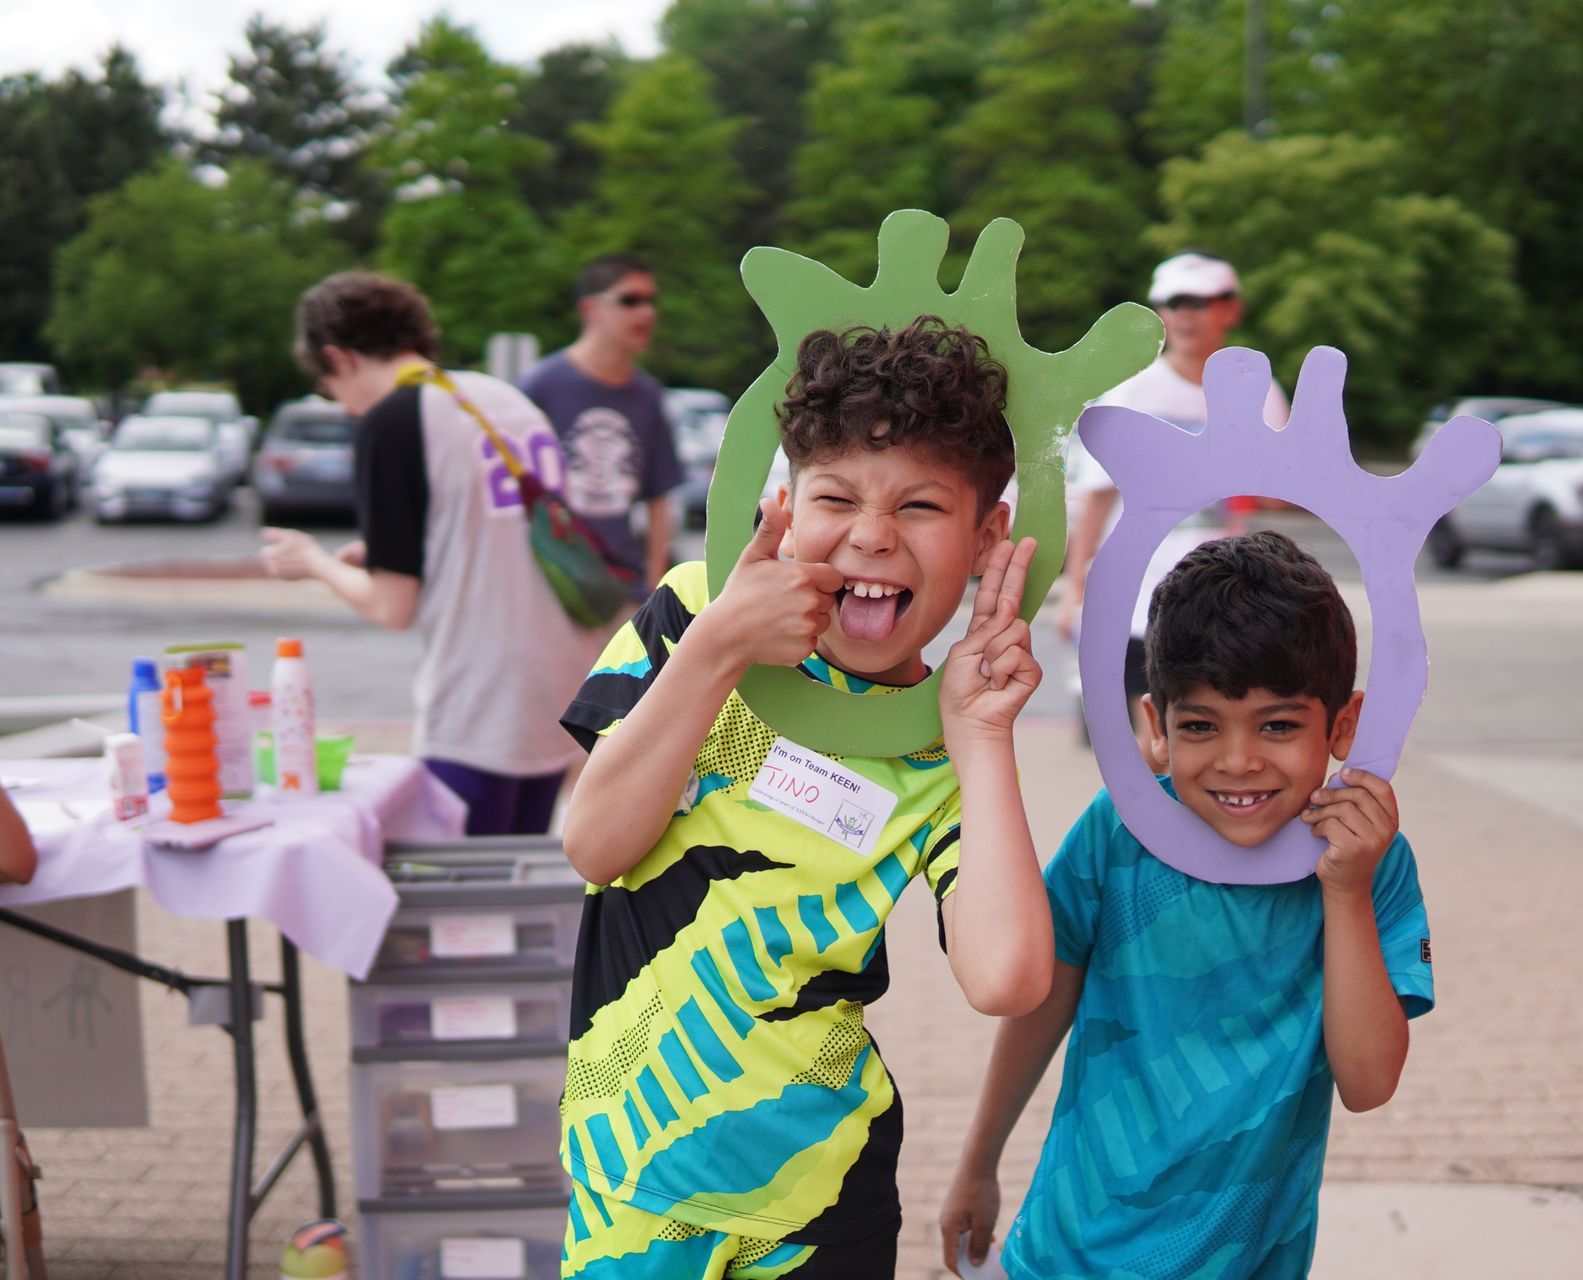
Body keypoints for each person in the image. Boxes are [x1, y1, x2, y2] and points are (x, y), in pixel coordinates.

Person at [554, 317, 1056, 1277]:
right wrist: (716, 649)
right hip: (632, 1180)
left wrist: (982, 738)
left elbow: (1007, 980)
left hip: (826, 1200)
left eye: (920, 507)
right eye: (836, 497)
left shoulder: (942, 732)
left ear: (988, 536)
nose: (871, 536)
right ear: (784, 504)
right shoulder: (693, 613)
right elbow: (595, 845)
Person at [942, 532, 1433, 1280]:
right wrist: (978, 1161)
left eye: (1278, 724)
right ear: (1156, 728)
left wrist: (1347, 891)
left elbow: (1368, 1084)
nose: (1239, 760)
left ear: (1341, 725)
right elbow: (1041, 1006)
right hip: (1069, 1253)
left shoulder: (1370, 860)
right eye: (1201, 725)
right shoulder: (1118, 831)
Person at [261, 271, 599, 835]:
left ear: (338, 357)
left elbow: (392, 607)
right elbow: (499, 529)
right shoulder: (499, 399)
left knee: (466, 911)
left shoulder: (392, 420)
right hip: (556, 684)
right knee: (516, 890)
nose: (344, 409)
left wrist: (312, 563)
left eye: (330, 389)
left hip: (477, 702)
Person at [1058, 252, 1290, 762]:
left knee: (1207, 733)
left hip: (1229, 598)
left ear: (1231, 309)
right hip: (1139, 599)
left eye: (1201, 302)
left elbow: (1278, 495)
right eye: (1173, 303)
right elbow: (1095, 500)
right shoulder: (1131, 392)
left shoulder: (1259, 391)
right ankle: (1145, 836)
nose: (1186, 314)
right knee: (1152, 744)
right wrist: (1075, 591)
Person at [520, 254, 685, 598]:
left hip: (620, 584)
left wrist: (654, 587)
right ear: (590, 309)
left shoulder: (647, 395)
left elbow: (659, 499)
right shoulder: (540, 386)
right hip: (550, 583)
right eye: (630, 300)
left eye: (651, 301)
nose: (647, 312)